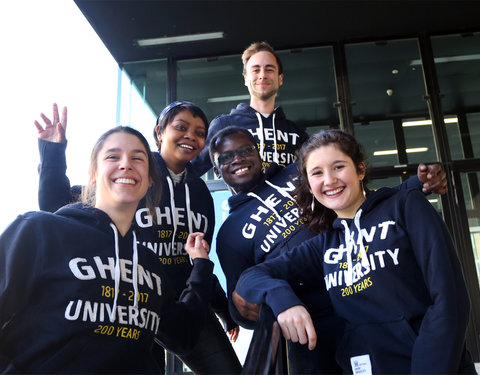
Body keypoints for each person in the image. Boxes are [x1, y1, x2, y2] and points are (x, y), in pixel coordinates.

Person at [209, 126, 449, 374]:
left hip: (365, 290)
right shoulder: (229, 233)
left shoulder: (299, 171)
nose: (237, 159)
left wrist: (413, 186)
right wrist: (270, 299)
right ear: (216, 169)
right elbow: (242, 302)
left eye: (245, 150)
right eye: (225, 157)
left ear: (258, 152)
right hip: (309, 322)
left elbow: (357, 201)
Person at [34, 102, 241, 375]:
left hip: (182, 303)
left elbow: (198, 257)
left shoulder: (201, 192)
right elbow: (56, 208)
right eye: (180, 127)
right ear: (159, 131)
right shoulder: (132, 174)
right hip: (131, 302)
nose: (190, 135)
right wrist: (52, 153)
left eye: (200, 132)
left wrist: (222, 307)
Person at [0, 126, 215, 373]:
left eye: (137, 158)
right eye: (113, 157)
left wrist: (201, 265)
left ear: (150, 182)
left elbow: (182, 337)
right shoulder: (40, 231)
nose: (126, 164)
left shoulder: (149, 265)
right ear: (93, 175)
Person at [191, 41, 309, 176]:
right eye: (256, 70)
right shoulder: (224, 126)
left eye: (269, 69)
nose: (262, 75)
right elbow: (189, 171)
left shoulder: (297, 133)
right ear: (246, 79)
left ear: (280, 79)